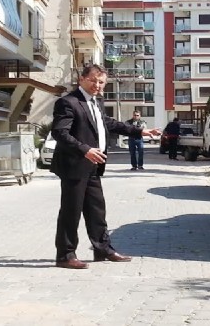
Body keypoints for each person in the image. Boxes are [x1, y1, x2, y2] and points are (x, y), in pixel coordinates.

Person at [50, 64, 161, 270]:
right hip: (74, 165)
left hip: (94, 166)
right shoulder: (68, 102)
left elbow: (108, 124)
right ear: (81, 79)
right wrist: (85, 149)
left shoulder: (97, 102)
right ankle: (65, 255)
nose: (97, 85)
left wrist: (139, 132)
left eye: (101, 82)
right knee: (71, 212)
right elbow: (59, 133)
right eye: (93, 80)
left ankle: (103, 249)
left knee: (97, 210)